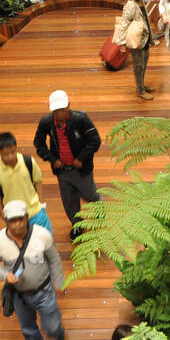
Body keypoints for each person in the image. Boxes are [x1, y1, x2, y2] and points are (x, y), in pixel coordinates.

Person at [0, 200, 64, 340]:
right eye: (13, 220)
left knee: (52, 325)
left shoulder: (41, 235)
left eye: (21, 219)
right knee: (28, 328)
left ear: (27, 218)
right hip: (19, 295)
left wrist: (59, 281)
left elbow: (54, 258)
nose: (18, 224)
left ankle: (58, 334)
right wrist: (5, 275)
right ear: (6, 221)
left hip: (44, 290)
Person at [33, 90, 102, 241]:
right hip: (62, 170)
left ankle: (99, 207)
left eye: (62, 109)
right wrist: (52, 159)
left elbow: (95, 140)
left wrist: (81, 158)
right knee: (69, 200)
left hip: (81, 168)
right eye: (56, 111)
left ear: (69, 106)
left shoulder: (81, 119)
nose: (59, 114)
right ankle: (76, 224)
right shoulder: (46, 122)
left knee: (89, 194)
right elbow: (38, 143)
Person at [0, 132, 51, 235]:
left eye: (13, 152)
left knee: (45, 242)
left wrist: (42, 203)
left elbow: (38, 181)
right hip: (14, 216)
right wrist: (1, 212)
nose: (10, 157)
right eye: (6, 154)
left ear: (16, 147)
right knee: (23, 247)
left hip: (35, 211)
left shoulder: (28, 162)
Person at [114, 0, 155, 100]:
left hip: (144, 39)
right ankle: (140, 90)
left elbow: (145, 20)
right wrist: (122, 44)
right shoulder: (131, 6)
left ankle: (141, 85)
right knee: (138, 66)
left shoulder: (140, 3)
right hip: (136, 41)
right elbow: (124, 24)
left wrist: (151, 39)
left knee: (144, 64)